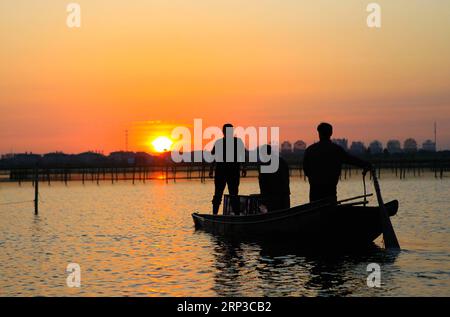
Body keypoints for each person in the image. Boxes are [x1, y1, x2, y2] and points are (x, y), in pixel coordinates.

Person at [303, 122, 372, 202]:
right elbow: (351, 160)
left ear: (319, 133)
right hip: (330, 192)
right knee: (331, 211)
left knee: (315, 211)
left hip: (314, 193)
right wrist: (366, 164)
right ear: (331, 133)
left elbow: (306, 170)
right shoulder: (336, 150)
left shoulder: (310, 150)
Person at [209, 124, 247, 215]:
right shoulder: (237, 142)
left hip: (223, 172)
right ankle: (235, 215)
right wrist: (244, 168)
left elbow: (214, 156)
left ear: (223, 132)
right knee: (232, 194)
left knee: (221, 194)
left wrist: (211, 169)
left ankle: (215, 214)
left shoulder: (220, 142)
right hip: (230, 172)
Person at [258, 144, 290, 212]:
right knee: (285, 214)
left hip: (272, 197)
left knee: (273, 213)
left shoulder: (264, 164)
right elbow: (286, 178)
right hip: (284, 195)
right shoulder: (282, 161)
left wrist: (263, 197)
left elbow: (262, 183)